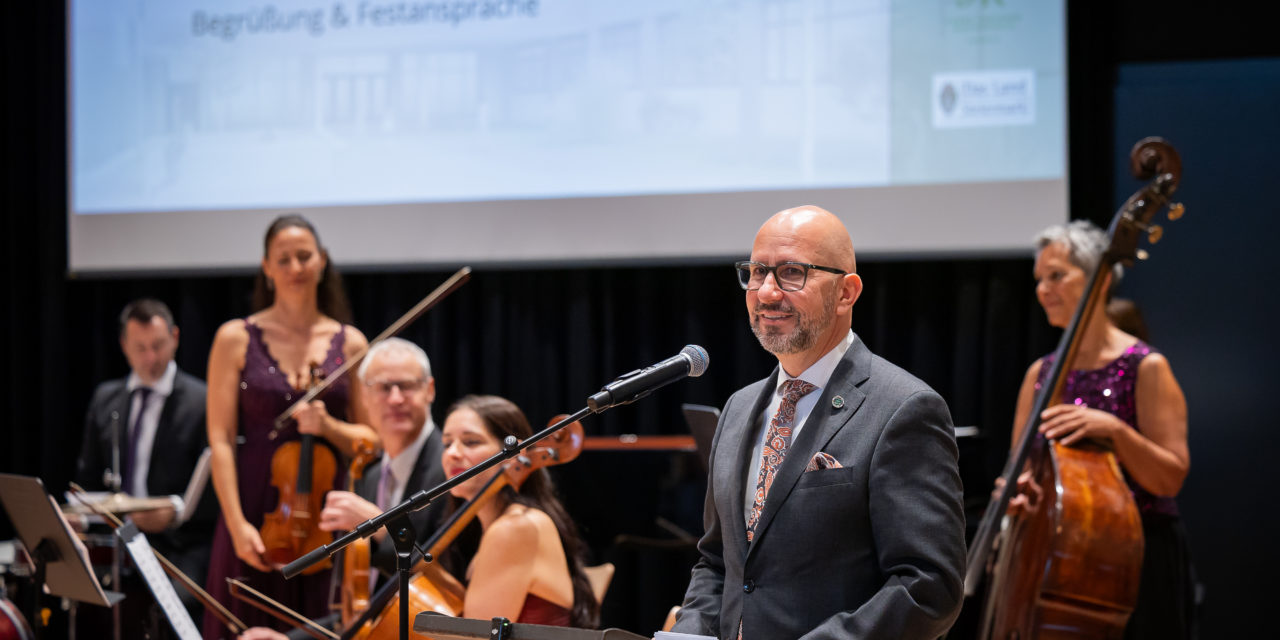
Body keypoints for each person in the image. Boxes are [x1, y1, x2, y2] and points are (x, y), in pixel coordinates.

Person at [671, 206, 966, 639]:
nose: (767, 292)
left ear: (847, 292)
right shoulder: (738, 408)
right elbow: (718, 561)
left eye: (792, 272)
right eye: (756, 272)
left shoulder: (905, 409)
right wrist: (687, 635)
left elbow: (928, 587)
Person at [1012, 220, 1193, 638]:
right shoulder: (1039, 374)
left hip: (1135, 557)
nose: (1043, 289)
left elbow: (1170, 478)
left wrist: (1115, 430)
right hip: (1052, 559)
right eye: (1039, 279)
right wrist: (1018, 490)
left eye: (1057, 275)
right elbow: (1016, 472)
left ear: (1102, 278)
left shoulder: (1146, 367)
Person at [203, 214, 378, 638]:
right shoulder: (235, 338)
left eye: (304, 257)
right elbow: (221, 440)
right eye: (284, 259)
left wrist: (329, 427)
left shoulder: (350, 342)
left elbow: (372, 440)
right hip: (254, 507)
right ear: (266, 266)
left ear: (322, 262)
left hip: (323, 515)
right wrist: (237, 523)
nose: (295, 268)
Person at [75, 298, 215, 624]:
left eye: (158, 345)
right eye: (140, 348)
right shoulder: (105, 398)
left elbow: (215, 494)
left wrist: (174, 514)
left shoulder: (202, 401)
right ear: (124, 345)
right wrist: (79, 516)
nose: (150, 357)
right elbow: (89, 478)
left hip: (181, 545)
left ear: (176, 338)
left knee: (165, 612)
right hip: (117, 541)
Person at [440, 394, 599, 628]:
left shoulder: (516, 527)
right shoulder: (495, 527)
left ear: (516, 454)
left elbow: (475, 637)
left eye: (471, 442)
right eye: (447, 443)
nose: (452, 453)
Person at [318, 337, 452, 581]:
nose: (396, 399)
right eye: (383, 387)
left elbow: (441, 573)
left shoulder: (451, 468)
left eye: (407, 385)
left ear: (429, 390)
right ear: (364, 397)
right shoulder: (368, 475)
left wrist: (380, 527)